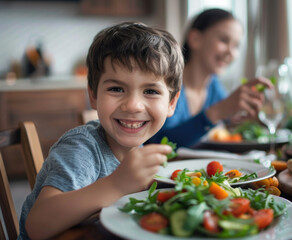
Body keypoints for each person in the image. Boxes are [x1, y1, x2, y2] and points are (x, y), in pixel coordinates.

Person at [18, 22, 184, 240]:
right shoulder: (81, 147)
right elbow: (37, 226)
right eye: (116, 89)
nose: (133, 105)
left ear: (171, 102)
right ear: (93, 95)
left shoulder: (138, 149)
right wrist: (116, 184)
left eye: (151, 91)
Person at [147, 8, 273, 148]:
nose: (231, 53)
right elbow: (157, 142)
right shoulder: (165, 84)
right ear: (195, 39)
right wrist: (217, 112)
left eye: (236, 45)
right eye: (224, 40)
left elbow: (224, 126)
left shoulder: (214, 86)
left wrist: (240, 121)